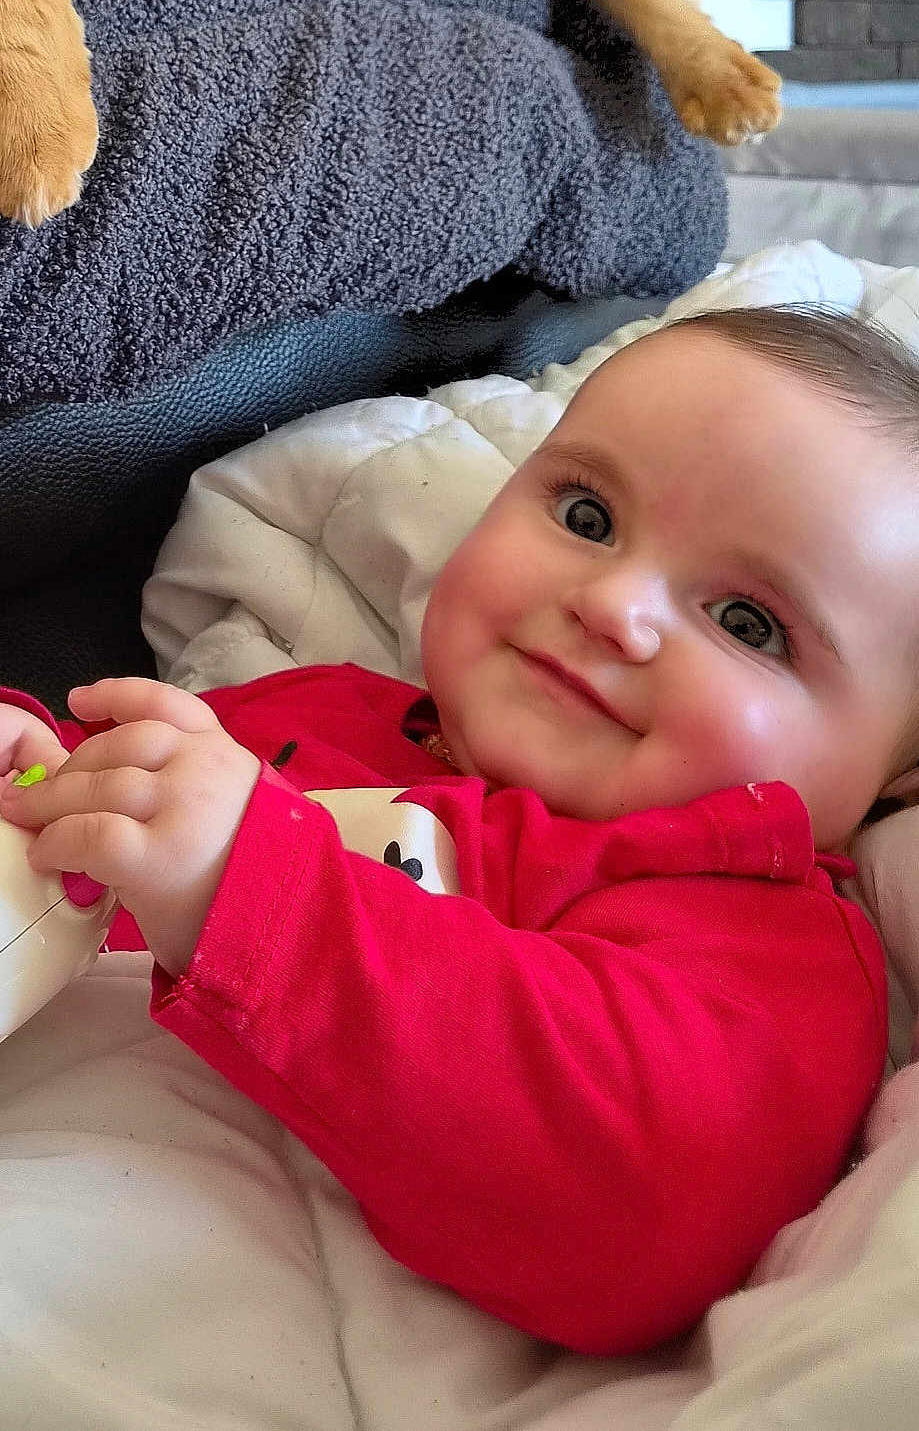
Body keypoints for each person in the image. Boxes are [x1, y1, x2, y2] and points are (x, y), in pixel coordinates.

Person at [0, 305, 916, 1356]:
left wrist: (251, 899)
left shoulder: (764, 934)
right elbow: (77, 819)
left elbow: (645, 1202)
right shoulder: (314, 709)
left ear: (894, 777)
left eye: (749, 623)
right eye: (585, 514)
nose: (612, 603)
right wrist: (32, 761)